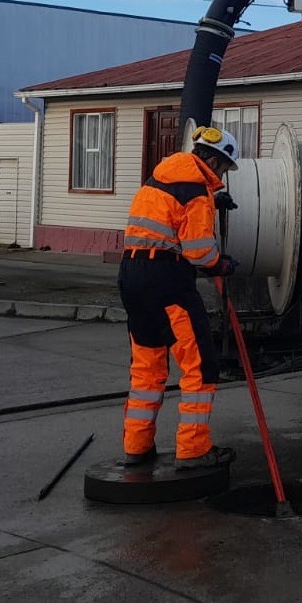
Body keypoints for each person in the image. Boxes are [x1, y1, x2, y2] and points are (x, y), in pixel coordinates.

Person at [118, 125, 241, 469]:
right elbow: (199, 252)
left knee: (147, 367)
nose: (222, 177)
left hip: (132, 275)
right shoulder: (197, 193)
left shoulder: (159, 179)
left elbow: (169, 216)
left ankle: (136, 447)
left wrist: (213, 202)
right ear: (215, 163)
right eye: (224, 170)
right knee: (201, 365)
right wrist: (224, 266)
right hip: (167, 281)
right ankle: (194, 450)